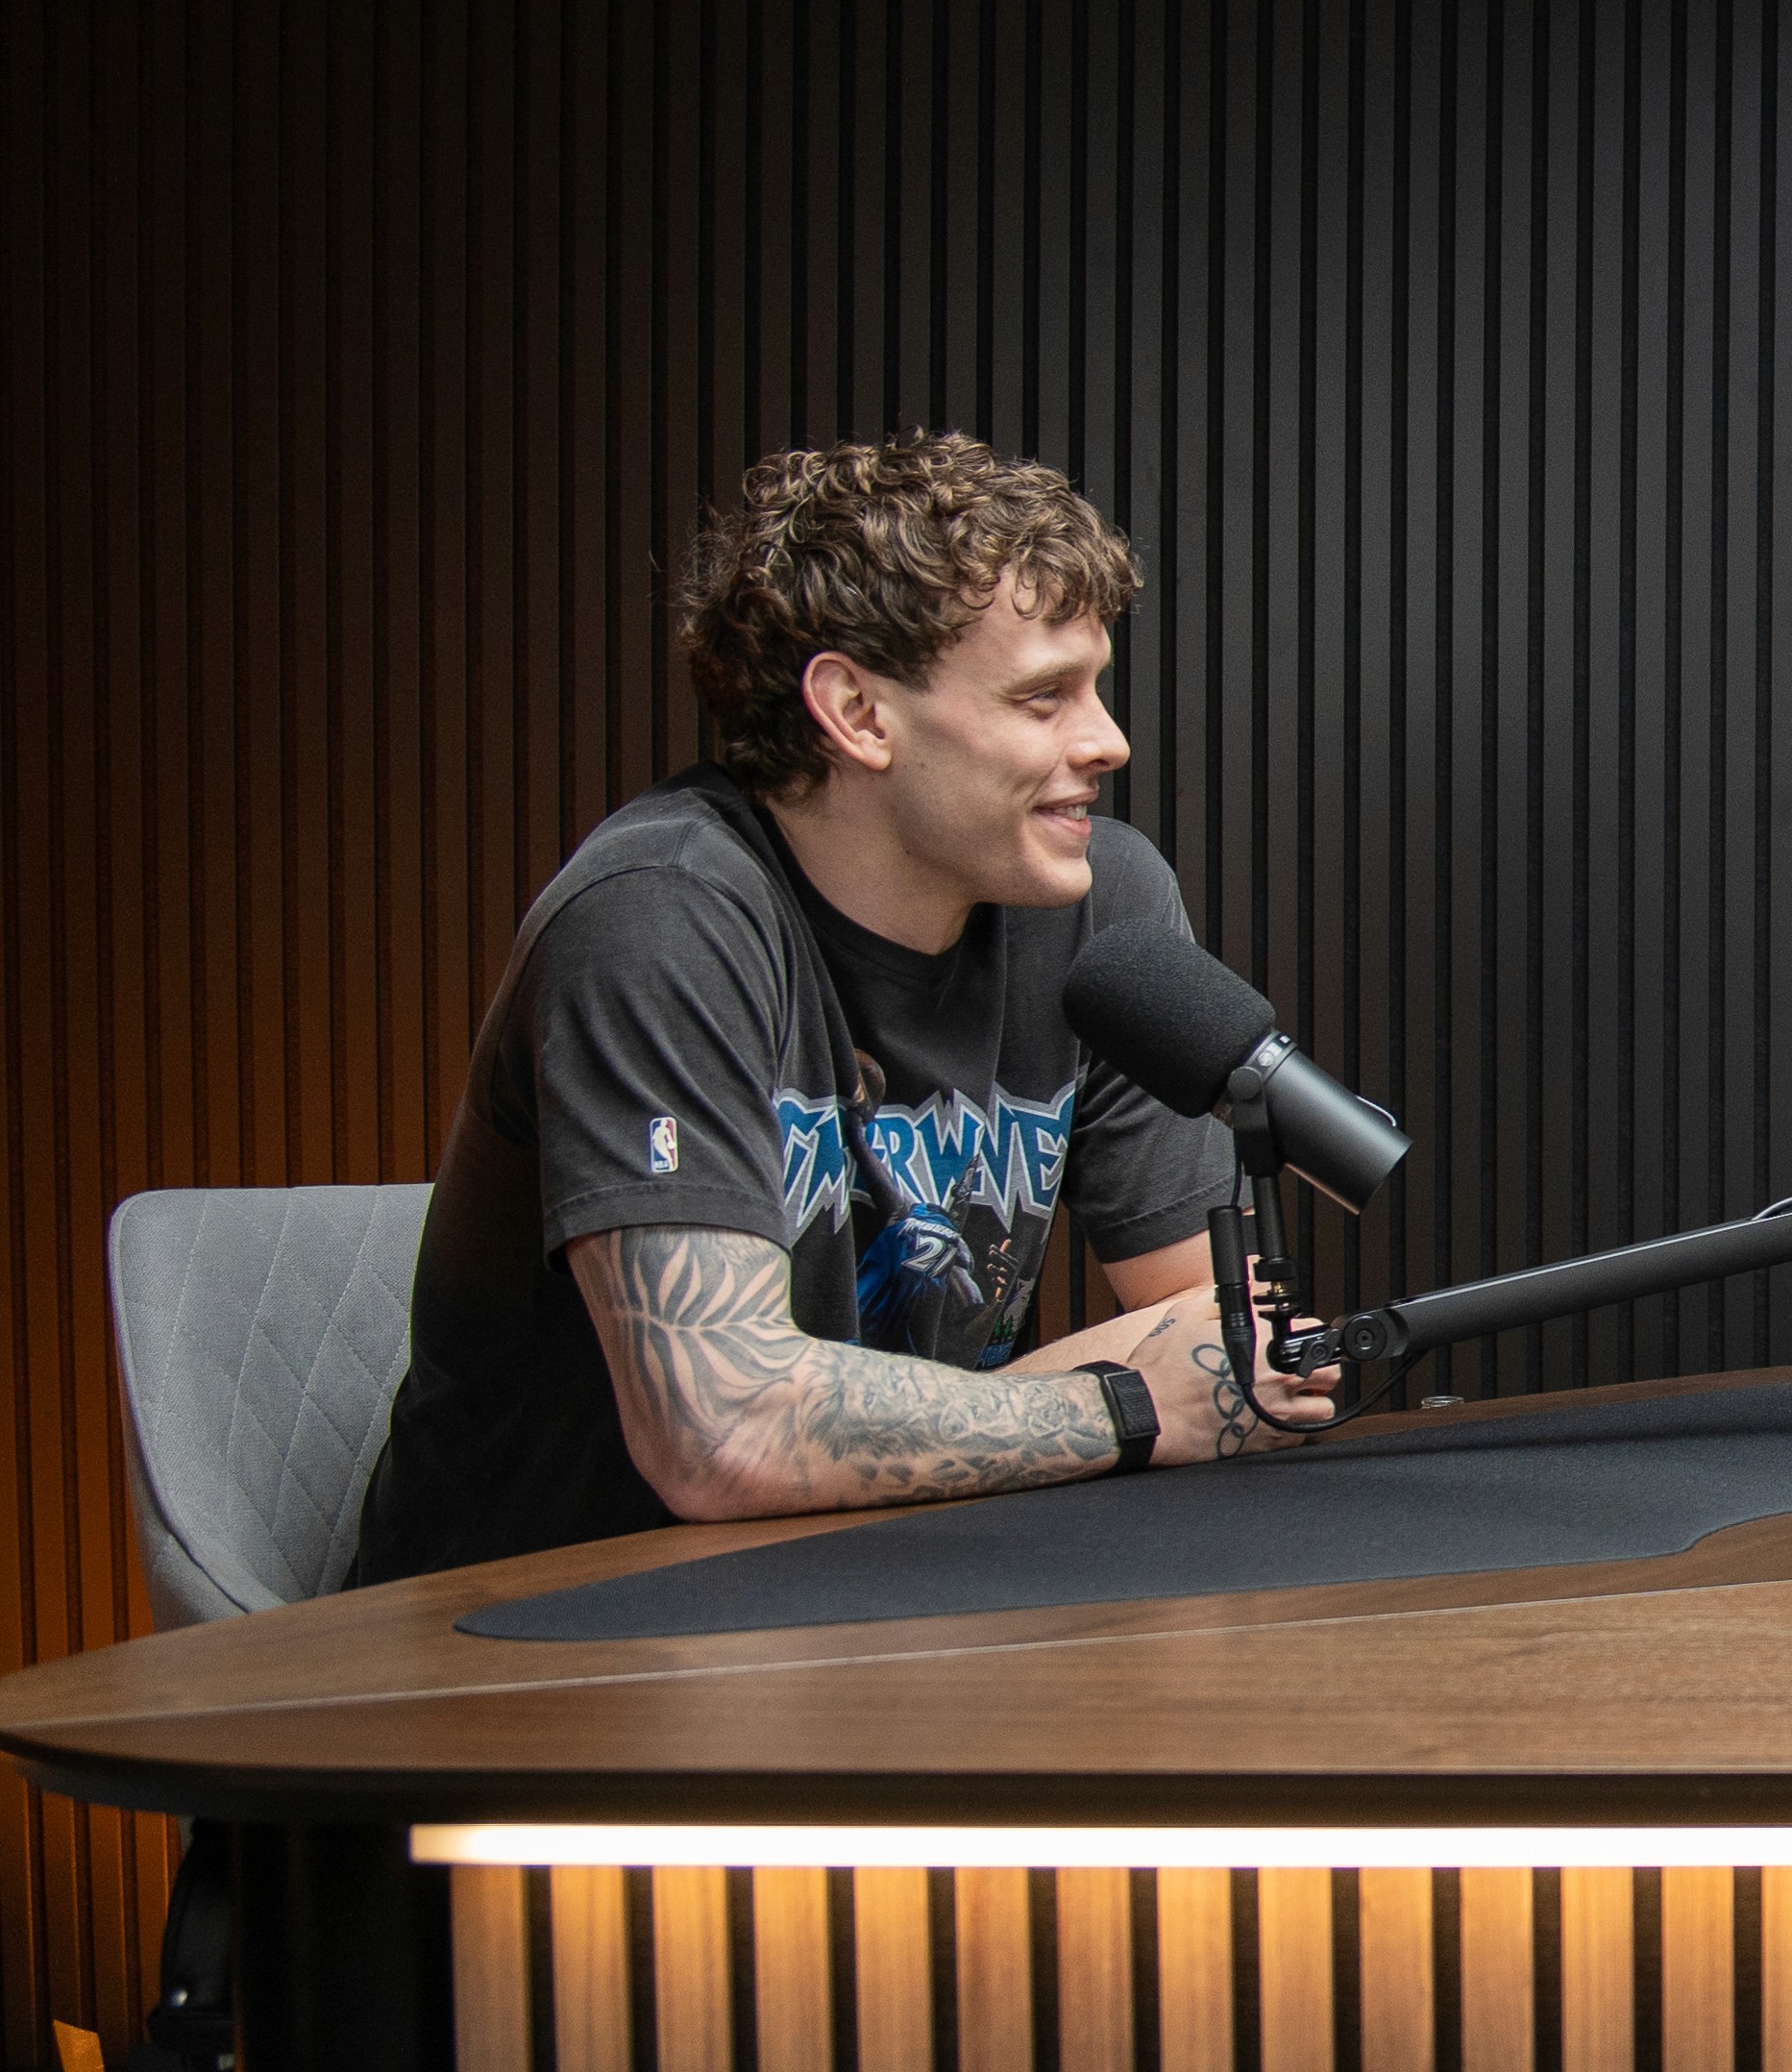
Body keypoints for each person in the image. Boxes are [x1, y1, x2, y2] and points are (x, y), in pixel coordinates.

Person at [356, 434, 1334, 1584]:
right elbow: (719, 1431)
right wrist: (1122, 1405)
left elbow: (1224, 1342)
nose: (1106, 740)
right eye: (1043, 697)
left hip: (895, 1579)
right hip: (544, 1628)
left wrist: (853, 1422)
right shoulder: (659, 918)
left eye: (1096, 686)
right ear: (857, 712)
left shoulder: (1095, 907)